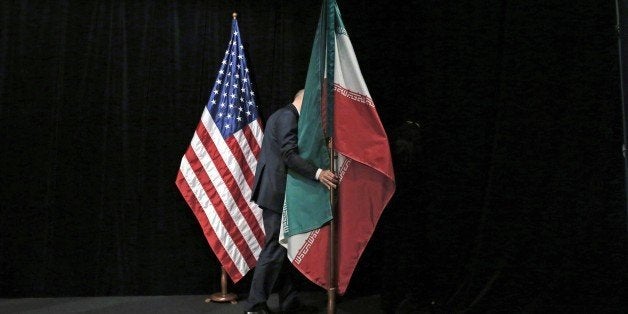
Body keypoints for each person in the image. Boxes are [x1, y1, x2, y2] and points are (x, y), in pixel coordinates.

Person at [243, 89, 338, 314]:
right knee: (275, 247)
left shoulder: (281, 115)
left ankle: (289, 300)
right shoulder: (288, 117)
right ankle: (254, 305)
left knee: (282, 247)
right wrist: (318, 173)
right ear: (303, 100)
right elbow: (288, 154)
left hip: (275, 190)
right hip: (276, 192)